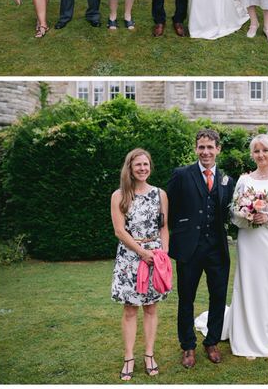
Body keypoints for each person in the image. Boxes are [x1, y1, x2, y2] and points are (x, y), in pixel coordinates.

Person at [196, 135, 268, 358]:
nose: (261, 155)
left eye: (265, 150)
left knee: (267, 285)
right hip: (248, 240)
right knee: (246, 283)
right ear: (252, 154)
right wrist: (246, 216)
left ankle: (265, 333)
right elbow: (232, 212)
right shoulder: (244, 180)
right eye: (257, 151)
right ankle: (244, 334)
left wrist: (267, 218)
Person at [167, 129, 234, 368]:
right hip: (189, 249)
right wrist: (181, 231)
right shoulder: (181, 175)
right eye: (201, 147)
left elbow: (229, 211)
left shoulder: (227, 179)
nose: (205, 152)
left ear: (218, 149)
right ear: (196, 149)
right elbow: (169, 209)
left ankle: (212, 341)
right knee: (186, 298)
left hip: (217, 249)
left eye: (210, 147)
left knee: (218, 297)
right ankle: (188, 346)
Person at [111, 149, 170, 380]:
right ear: (130, 168)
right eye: (138, 165)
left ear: (150, 166)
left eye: (146, 164)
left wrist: (163, 252)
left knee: (151, 308)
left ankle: (149, 354)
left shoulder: (160, 194)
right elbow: (119, 230)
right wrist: (141, 252)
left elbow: (164, 226)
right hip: (130, 258)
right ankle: (128, 357)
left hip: (154, 257)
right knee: (129, 309)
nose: (143, 168)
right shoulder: (120, 196)